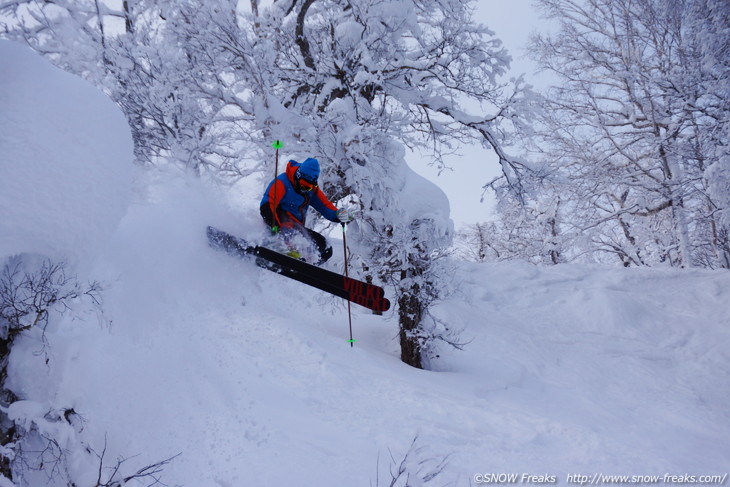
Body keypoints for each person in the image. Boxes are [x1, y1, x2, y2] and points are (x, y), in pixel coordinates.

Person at [260, 157, 352, 264]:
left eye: (308, 187)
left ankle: (309, 267)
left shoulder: (312, 190)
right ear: (298, 176)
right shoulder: (282, 182)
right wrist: (275, 227)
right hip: (276, 224)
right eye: (303, 184)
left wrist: (338, 214)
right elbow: (267, 205)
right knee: (288, 224)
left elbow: (324, 205)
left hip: (296, 227)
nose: (304, 188)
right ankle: (280, 248)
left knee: (325, 248)